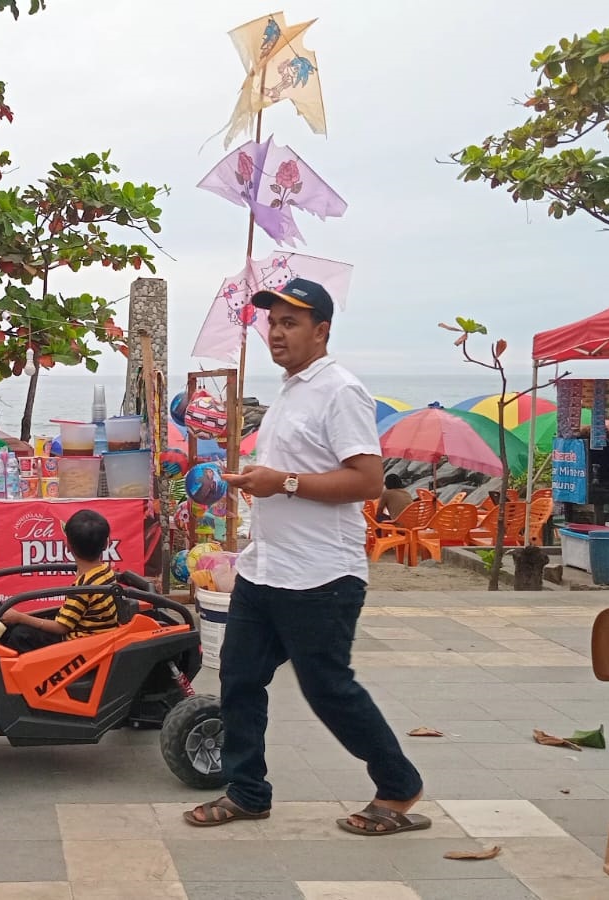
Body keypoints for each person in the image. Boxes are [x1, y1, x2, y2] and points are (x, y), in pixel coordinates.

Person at [184, 277, 426, 837]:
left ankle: (398, 785)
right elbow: (284, 476)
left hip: (321, 573)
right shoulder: (291, 390)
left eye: (290, 322)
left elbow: (368, 482)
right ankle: (247, 792)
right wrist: (250, 481)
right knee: (239, 678)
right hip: (266, 566)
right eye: (271, 321)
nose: (276, 332)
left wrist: (283, 482)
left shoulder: (340, 390)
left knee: (327, 689)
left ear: (322, 330)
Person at [0, 509, 118, 652]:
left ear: (68, 546)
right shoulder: (106, 570)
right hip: (96, 634)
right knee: (25, 625)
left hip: (79, 645)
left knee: (20, 635)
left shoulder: (83, 588)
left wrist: (21, 618)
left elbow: (62, 628)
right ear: (106, 544)